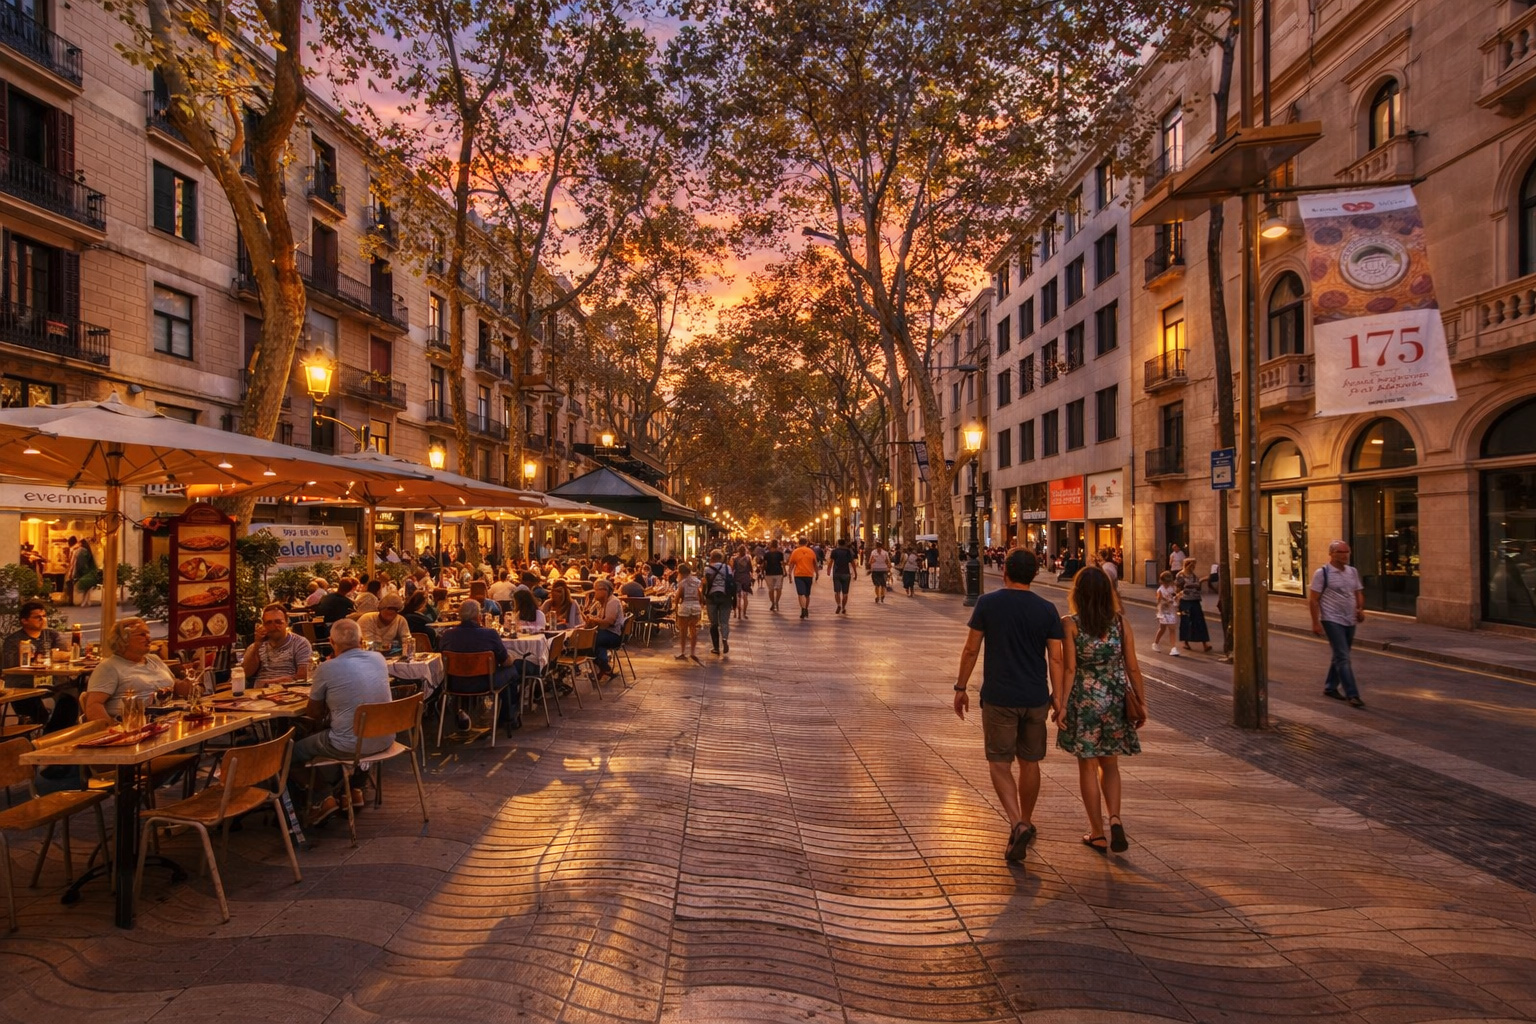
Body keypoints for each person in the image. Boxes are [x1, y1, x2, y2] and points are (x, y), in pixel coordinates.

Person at [953, 550, 1065, 863]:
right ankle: (1026, 821)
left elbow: (971, 649)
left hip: (1000, 697)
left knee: (999, 762)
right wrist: (1058, 697)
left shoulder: (988, 603)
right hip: (1035, 697)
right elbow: (1056, 658)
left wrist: (961, 687)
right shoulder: (1047, 609)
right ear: (1034, 575)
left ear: (1005, 571)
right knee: (1030, 761)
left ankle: (1016, 822)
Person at [1056, 566, 1146, 854]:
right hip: (1116, 699)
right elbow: (1132, 667)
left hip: (1084, 700)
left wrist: (1061, 704)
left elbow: (1069, 668)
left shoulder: (1069, 624)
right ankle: (1116, 818)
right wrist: (1141, 703)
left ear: (1077, 594)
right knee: (1111, 764)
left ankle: (1097, 833)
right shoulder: (1120, 624)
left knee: (1087, 765)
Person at [291, 618, 394, 824]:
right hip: (385, 738)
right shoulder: (379, 659)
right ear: (361, 640)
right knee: (353, 728)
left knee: (289, 752)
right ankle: (354, 789)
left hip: (350, 744)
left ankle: (323, 798)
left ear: (331, 642)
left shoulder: (327, 668)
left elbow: (313, 713)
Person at [84, 617, 191, 721]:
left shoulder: (154, 659)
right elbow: (93, 706)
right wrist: (112, 731)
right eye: (142, 635)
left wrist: (192, 682)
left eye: (148, 633)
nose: (149, 638)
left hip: (170, 718)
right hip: (134, 726)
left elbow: (175, 686)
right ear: (124, 639)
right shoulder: (108, 667)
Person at [438, 600, 521, 732]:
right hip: (484, 683)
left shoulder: (447, 635)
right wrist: (512, 658)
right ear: (478, 616)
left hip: (453, 683)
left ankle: (463, 712)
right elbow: (505, 661)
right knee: (512, 671)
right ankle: (508, 717)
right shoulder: (489, 634)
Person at [1309, 540, 1367, 708]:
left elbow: (1357, 592)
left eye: (1347, 552)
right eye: (1341, 552)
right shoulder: (1322, 573)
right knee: (1343, 656)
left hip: (1350, 619)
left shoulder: (1352, 572)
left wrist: (1360, 608)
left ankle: (1330, 687)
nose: (1345, 555)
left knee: (1340, 655)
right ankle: (1352, 694)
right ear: (1331, 554)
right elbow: (1313, 600)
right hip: (1331, 619)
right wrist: (1315, 623)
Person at [1, 599, 74, 727]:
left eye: (44, 616)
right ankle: (39, 730)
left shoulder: (52, 635)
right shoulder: (13, 641)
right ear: (24, 621)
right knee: (32, 704)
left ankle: (52, 733)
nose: (43, 619)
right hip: (24, 683)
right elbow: (10, 666)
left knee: (71, 698)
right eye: (37, 617)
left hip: (52, 682)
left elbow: (64, 654)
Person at [242, 602, 314, 686]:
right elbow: (246, 673)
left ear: (286, 623)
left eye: (278, 622)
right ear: (263, 625)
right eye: (269, 622)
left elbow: (303, 677)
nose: (274, 626)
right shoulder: (256, 646)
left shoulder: (300, 643)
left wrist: (268, 683)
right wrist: (257, 645)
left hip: (288, 691)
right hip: (258, 693)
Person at [586, 579, 626, 681]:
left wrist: (593, 620)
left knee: (589, 643)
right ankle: (604, 667)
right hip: (607, 633)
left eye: (596, 590)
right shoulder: (603, 602)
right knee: (592, 643)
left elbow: (608, 622)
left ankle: (603, 668)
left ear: (604, 590)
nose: (594, 593)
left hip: (613, 635)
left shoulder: (612, 602)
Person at [1176, 560, 1212, 653]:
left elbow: (1198, 587)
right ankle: (1185, 642)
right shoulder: (1180, 575)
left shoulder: (1194, 576)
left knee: (1200, 621)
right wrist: (1178, 601)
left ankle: (1205, 643)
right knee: (1186, 621)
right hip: (1185, 601)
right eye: (1192, 565)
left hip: (1195, 600)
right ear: (1187, 565)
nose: (1194, 567)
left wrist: (1202, 581)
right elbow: (1178, 588)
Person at [703, 549, 734, 655]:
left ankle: (716, 647)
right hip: (725, 597)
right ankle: (724, 638)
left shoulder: (707, 569)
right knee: (724, 622)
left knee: (714, 623)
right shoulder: (728, 568)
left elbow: (705, 583)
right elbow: (731, 581)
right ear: (721, 558)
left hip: (712, 597)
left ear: (712, 557)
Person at [674, 563, 704, 663]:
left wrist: (675, 607)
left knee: (683, 631)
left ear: (680, 572)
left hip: (685, 607)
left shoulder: (682, 583)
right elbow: (700, 596)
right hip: (695, 607)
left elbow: (678, 597)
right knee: (693, 630)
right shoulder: (697, 582)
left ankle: (682, 652)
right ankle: (693, 653)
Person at [787, 537, 818, 619]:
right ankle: (806, 609)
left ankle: (803, 609)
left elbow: (791, 564)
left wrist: (789, 574)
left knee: (801, 594)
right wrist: (817, 573)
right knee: (807, 594)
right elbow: (815, 563)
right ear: (807, 543)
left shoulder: (795, 552)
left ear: (798, 543)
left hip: (799, 575)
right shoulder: (811, 551)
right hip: (809, 575)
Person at [1152, 571, 1180, 656]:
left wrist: (1177, 598)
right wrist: (1165, 600)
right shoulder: (1160, 590)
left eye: (1169, 582)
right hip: (1164, 610)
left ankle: (1173, 648)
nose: (1167, 584)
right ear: (1162, 581)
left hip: (1171, 610)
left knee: (1172, 629)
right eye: (1165, 582)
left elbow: (1176, 597)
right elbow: (1159, 601)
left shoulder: (1173, 588)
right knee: (1162, 628)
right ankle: (1155, 643)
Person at [828, 537, 857, 615]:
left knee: (837, 592)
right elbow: (852, 562)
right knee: (845, 593)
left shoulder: (834, 551)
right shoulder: (848, 551)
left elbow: (831, 561)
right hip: (846, 574)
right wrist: (855, 573)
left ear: (838, 543)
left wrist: (828, 570)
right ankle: (844, 607)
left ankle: (838, 605)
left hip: (836, 573)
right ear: (844, 544)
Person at [65, 535, 96, 607]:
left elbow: (77, 563)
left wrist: (73, 572)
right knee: (86, 587)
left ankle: (84, 601)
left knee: (84, 586)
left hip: (82, 572)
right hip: (86, 571)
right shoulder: (83, 550)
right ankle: (86, 601)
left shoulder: (80, 551)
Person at [761, 539, 786, 612]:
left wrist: (762, 572)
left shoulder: (767, 554)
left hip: (769, 573)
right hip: (778, 572)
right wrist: (785, 571)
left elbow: (764, 564)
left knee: (771, 590)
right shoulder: (780, 554)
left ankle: (772, 603)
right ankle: (777, 602)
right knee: (779, 589)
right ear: (777, 545)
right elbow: (782, 563)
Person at [732, 545, 754, 620]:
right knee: (745, 597)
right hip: (746, 578)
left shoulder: (735, 559)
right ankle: (744, 613)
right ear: (745, 550)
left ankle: (738, 614)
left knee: (738, 597)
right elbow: (751, 569)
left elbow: (733, 569)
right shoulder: (748, 559)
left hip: (737, 578)